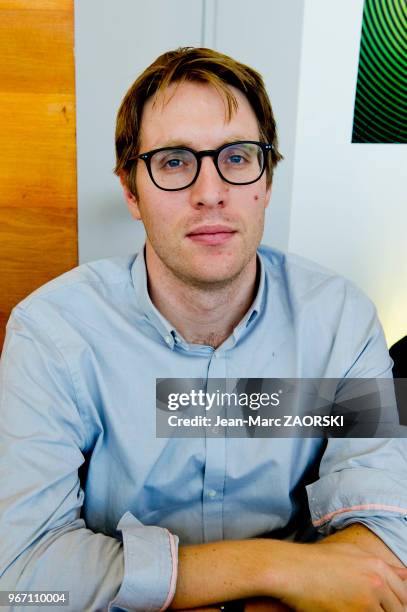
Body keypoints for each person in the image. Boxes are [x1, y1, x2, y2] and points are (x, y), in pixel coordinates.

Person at [0, 47, 406, 612]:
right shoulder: (49, 334)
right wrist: (274, 567)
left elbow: (389, 527)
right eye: (173, 162)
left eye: (237, 158)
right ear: (130, 190)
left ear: (266, 179)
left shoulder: (342, 321)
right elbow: (22, 581)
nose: (210, 192)